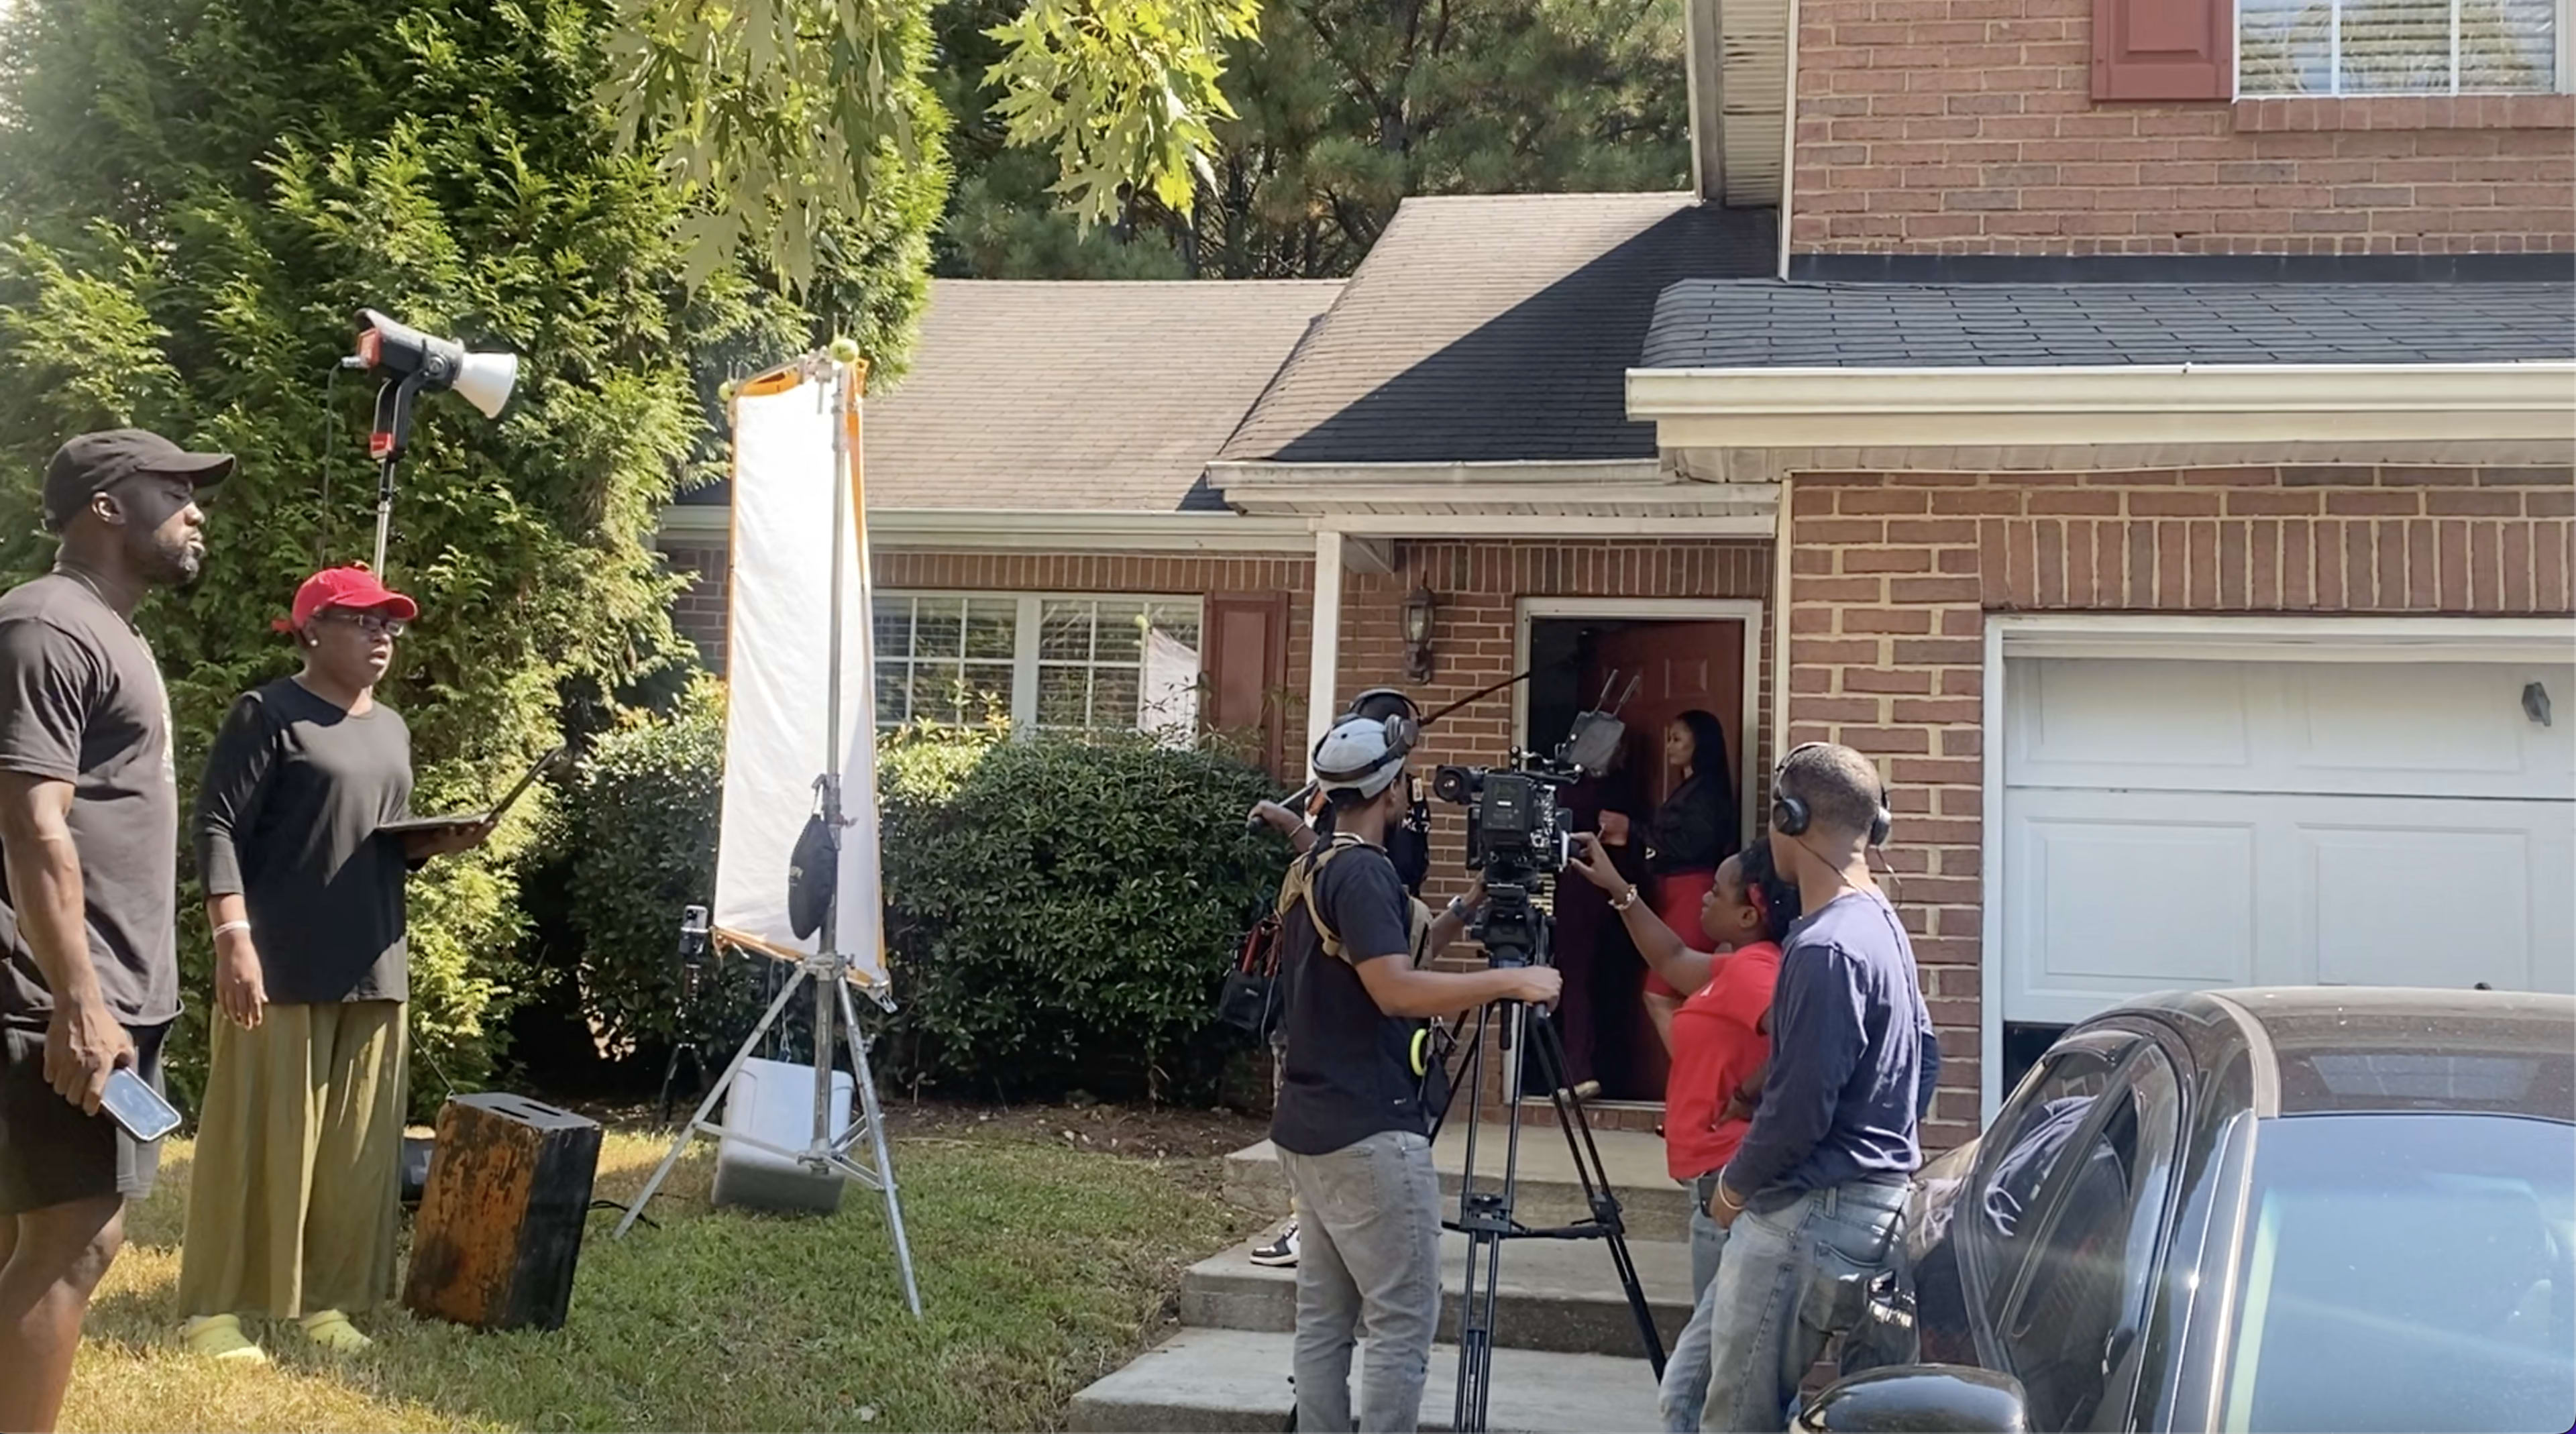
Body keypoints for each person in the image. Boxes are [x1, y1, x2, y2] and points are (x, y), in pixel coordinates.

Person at [175, 566, 490, 1362]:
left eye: (390, 624)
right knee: (253, 1141)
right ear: (313, 629)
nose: (382, 636)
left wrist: (432, 842)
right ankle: (214, 1310)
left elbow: (372, 837)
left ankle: (327, 1301)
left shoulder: (392, 728)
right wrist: (232, 937)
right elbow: (216, 826)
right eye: (362, 622)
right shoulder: (267, 713)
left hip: (374, 958)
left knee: (355, 1150)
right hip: (279, 961)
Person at [0, 428, 228, 1434]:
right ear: (105, 505)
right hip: (57, 993)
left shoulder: (109, 629)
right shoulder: (47, 626)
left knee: (40, 1236)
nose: (196, 508)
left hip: (111, 988)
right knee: (73, 1243)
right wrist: (78, 1001)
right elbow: (30, 819)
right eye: (173, 488)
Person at [1272, 712, 1561, 1434]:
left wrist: (1466, 909)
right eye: (1405, 778)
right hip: (1370, 1126)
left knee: (1324, 1320)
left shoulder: (1316, 865)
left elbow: (1392, 950)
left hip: (1310, 1124)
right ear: (1390, 788)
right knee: (1401, 1321)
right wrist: (1511, 981)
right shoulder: (1368, 870)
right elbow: (1395, 988)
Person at [1697, 742, 1939, 1432]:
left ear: (1789, 816)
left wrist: (1732, 1189)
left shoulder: (1825, 944)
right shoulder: (1885, 924)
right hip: (1881, 1209)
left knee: (1737, 1416)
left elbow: (1799, 1110)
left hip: (1809, 1215)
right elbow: (1926, 1057)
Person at [1568, 834, 1796, 1432]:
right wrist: (1619, 889)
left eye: (1716, 893)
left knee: (1713, 1378)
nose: (1703, 901)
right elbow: (1670, 958)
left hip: (1732, 1191)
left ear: (1750, 912)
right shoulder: (1733, 965)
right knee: (1730, 1362)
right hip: (1712, 1189)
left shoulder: (1755, 970)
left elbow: (1806, 1035)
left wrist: (1749, 1093)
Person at [1641, 712, 1737, 1055]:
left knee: (1659, 993)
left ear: (1700, 744)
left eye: (1678, 738)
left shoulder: (1707, 792)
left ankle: (1694, 1078)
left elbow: (1694, 844)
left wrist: (1635, 834)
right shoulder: (1692, 787)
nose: (1669, 746)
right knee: (1684, 994)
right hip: (1675, 892)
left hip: (1691, 891)